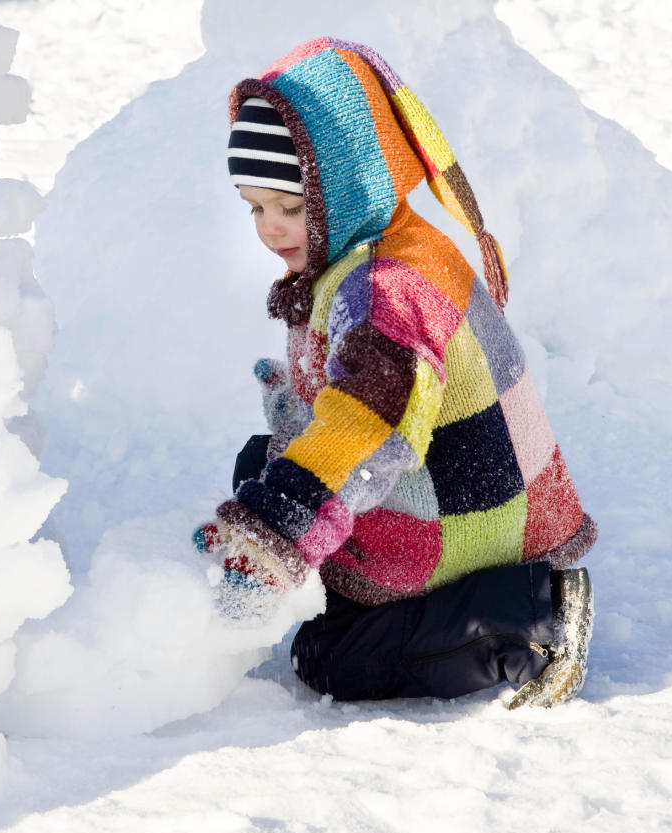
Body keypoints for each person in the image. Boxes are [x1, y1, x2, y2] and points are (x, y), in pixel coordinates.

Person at [194, 38, 597, 709]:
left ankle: (529, 617)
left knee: (334, 657)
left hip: (468, 513)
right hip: (462, 477)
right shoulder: (387, 236)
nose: (269, 228)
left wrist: (277, 536)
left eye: (290, 208)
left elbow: (370, 426)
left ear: (346, 186)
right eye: (255, 206)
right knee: (257, 465)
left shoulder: (386, 290)